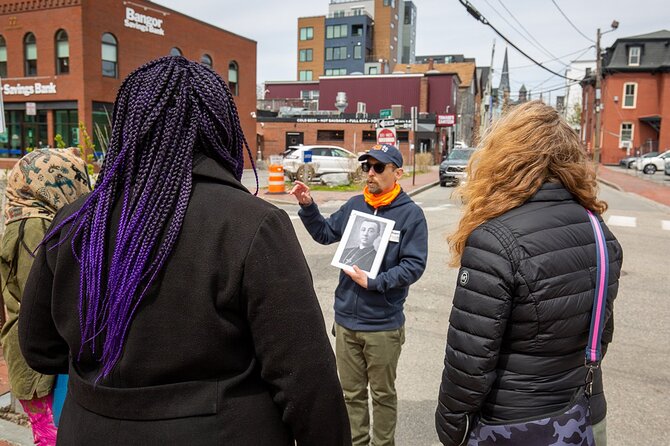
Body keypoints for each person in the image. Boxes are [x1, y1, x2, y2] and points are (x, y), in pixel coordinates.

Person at [18, 56, 350, 445]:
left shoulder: (75, 220)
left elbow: (39, 349)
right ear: (220, 127)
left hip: (90, 428)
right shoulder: (251, 224)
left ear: (128, 126)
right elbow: (307, 381)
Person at [435, 101, 623, 446]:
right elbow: (600, 333)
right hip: (582, 416)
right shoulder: (600, 234)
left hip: (513, 423)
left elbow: (469, 361)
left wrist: (451, 428)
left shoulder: (493, 240)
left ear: (504, 158)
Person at [290, 143, 428, 446]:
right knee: (350, 395)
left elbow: (414, 266)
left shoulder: (411, 215)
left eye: (379, 168)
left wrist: (375, 281)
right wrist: (307, 205)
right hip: (346, 321)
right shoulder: (355, 205)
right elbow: (325, 234)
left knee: (382, 395)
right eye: (368, 167)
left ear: (398, 173)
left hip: (383, 325)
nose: (371, 173)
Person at [1, 147, 91, 446]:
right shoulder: (35, 225)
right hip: (43, 368)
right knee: (54, 437)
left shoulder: (29, 219)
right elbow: (44, 294)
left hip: (39, 359)